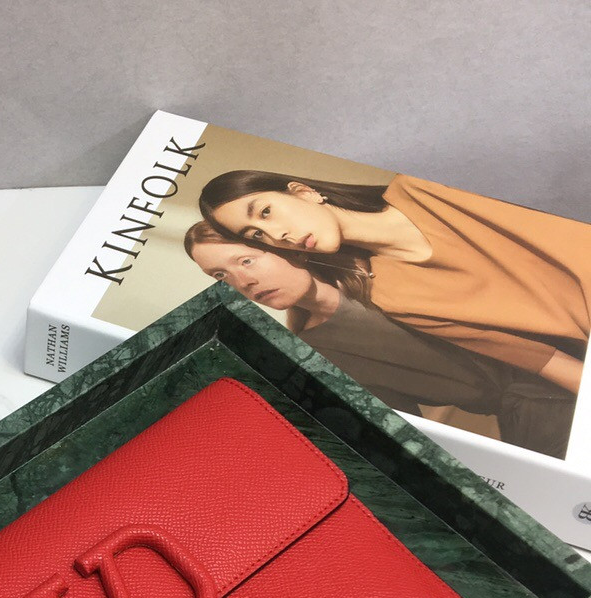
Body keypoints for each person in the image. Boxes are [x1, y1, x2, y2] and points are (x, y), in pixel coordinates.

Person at [183, 221, 576, 458]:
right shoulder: (314, 356)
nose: (242, 282)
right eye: (221, 276)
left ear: (283, 248)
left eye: (246, 261)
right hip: (538, 425)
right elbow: (413, 439)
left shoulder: (377, 265)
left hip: (570, 354)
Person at [198, 169, 591, 395]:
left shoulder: (424, 185)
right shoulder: (394, 296)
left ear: (305, 192)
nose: (276, 235)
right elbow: (546, 361)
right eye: (256, 235)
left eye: (266, 212)